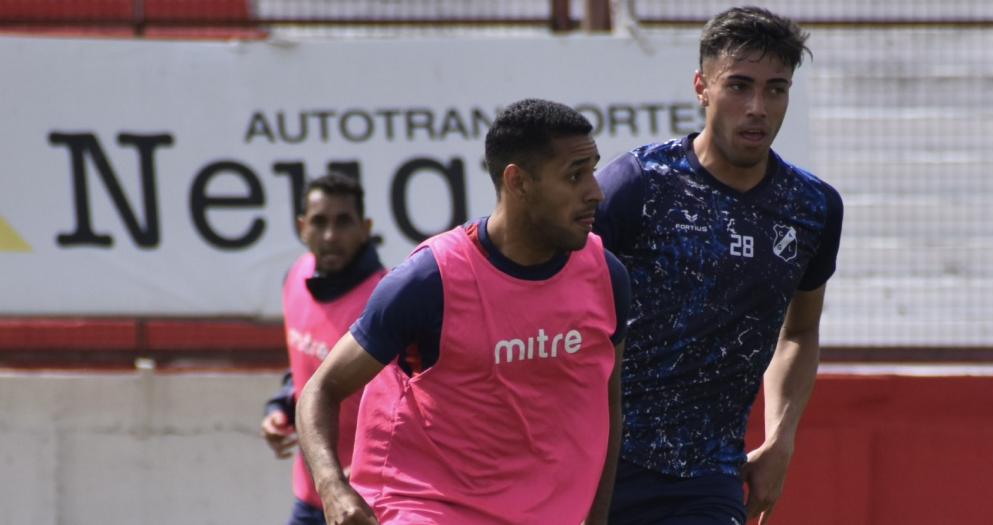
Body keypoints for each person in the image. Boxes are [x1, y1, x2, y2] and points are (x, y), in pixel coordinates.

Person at [296, 98, 632, 525]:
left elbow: (609, 403)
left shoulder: (606, 276)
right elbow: (319, 390)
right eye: (574, 176)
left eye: (592, 171)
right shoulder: (428, 281)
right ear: (519, 182)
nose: (595, 191)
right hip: (426, 509)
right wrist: (332, 490)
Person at [594, 7, 844, 525]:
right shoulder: (637, 184)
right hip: (594, 462)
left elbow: (799, 330)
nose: (757, 107)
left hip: (708, 481)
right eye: (739, 86)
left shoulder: (813, 208)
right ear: (701, 86)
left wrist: (780, 441)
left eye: (776, 89)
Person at [260, 173, 387, 525]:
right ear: (302, 227)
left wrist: (371, 467)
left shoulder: (386, 301)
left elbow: (412, 403)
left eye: (343, 222)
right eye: (319, 222)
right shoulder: (296, 277)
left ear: (365, 227)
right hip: (310, 496)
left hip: (367, 502)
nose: (330, 235)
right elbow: (305, 371)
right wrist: (282, 407)